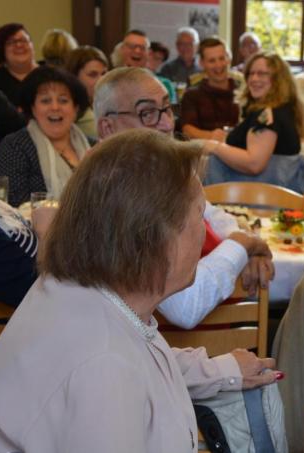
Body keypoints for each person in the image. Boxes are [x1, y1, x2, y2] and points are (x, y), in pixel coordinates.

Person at [0, 129, 282, 452]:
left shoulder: (82, 292)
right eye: (199, 215)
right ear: (156, 238)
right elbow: (115, 368)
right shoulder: (104, 364)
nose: (204, 234)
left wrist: (224, 370)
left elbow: (141, 361)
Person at [94, 66, 274, 328]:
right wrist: (242, 246)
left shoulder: (159, 170)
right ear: (108, 127)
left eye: (167, 108)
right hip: (164, 347)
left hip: (217, 336)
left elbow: (214, 215)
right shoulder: (114, 193)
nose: (167, 124)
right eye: (147, 113)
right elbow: (185, 307)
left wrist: (246, 248)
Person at [202, 52, 304, 193]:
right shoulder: (281, 109)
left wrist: (214, 147)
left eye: (262, 74)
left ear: (278, 79)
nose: (254, 79)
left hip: (257, 199)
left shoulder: (268, 114)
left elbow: (254, 164)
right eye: (251, 73)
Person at [0, 66, 91, 206]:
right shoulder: (14, 147)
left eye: (63, 100)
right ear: (32, 108)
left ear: (76, 108)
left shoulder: (94, 146)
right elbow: (11, 209)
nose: (55, 107)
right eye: (45, 101)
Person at [180, 37, 241, 140]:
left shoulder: (243, 90)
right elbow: (187, 130)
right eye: (212, 61)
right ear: (202, 63)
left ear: (229, 59)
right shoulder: (192, 95)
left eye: (222, 58)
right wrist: (212, 136)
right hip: (207, 147)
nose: (218, 65)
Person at [117, 29, 177, 103]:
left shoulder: (163, 85)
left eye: (142, 48)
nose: (137, 51)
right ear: (122, 49)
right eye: (132, 46)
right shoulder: (110, 81)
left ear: (148, 53)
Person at [65, 45, 109, 140]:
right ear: (74, 78)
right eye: (93, 75)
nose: (101, 80)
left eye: (104, 74)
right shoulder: (79, 115)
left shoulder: (105, 106)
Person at [0, 23, 39, 106]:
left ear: (32, 45)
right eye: (11, 42)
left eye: (23, 40)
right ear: (1, 50)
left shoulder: (51, 76)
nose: (19, 45)